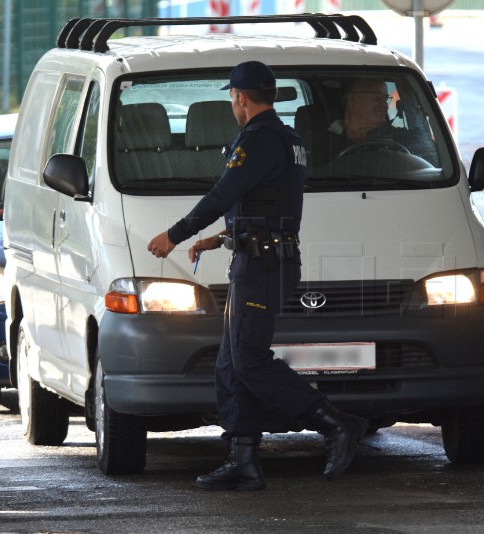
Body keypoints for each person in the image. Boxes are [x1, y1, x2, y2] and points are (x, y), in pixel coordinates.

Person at [147, 60, 368, 490]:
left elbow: (222, 194)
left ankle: (336, 423)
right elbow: (266, 207)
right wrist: (217, 240)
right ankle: (243, 459)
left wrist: (175, 234)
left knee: (248, 360)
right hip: (261, 257)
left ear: (240, 97)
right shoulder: (286, 138)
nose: (233, 102)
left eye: (232, 96)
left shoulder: (259, 140)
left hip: (263, 266)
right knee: (231, 366)